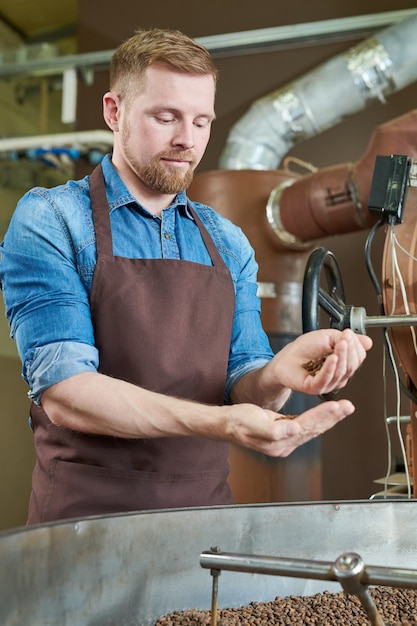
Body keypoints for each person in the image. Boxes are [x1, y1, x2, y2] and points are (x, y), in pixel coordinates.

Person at [0, 27, 372, 525]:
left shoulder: (227, 241)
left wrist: (280, 373)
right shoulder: (51, 219)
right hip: (82, 529)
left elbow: (245, 382)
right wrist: (223, 423)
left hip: (203, 530)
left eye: (202, 121)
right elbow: (66, 392)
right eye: (166, 117)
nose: (187, 140)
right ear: (114, 112)